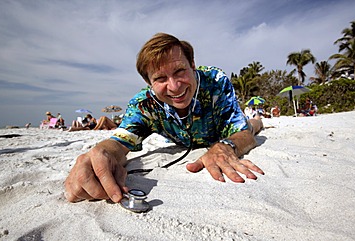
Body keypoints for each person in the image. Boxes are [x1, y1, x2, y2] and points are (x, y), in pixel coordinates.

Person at [65, 33, 265, 203]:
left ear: (192, 65)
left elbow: (244, 134)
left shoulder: (216, 82)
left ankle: (260, 120)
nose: (175, 86)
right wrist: (102, 152)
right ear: (148, 82)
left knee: (253, 125)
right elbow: (119, 141)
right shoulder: (144, 105)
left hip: (226, 131)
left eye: (180, 71)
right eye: (160, 78)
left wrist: (224, 147)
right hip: (185, 138)